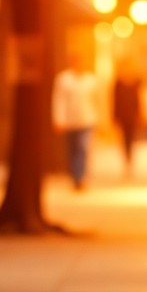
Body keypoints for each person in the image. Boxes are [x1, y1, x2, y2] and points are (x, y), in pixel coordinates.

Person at [52, 54, 100, 191]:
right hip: (69, 121)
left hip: (87, 120)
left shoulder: (91, 80)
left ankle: (80, 177)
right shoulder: (63, 79)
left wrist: (99, 119)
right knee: (72, 150)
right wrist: (58, 119)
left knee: (83, 149)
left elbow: (96, 100)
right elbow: (59, 100)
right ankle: (75, 175)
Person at [112, 60, 142, 178]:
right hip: (122, 115)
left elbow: (139, 99)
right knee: (124, 138)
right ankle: (126, 158)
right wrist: (114, 116)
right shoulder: (118, 83)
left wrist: (140, 114)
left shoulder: (137, 81)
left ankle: (130, 157)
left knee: (132, 137)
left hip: (133, 115)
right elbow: (115, 100)